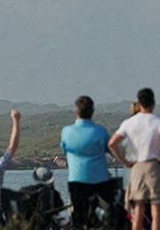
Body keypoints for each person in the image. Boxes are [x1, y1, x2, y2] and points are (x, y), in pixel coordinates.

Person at [108, 88, 160, 230]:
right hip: (154, 167)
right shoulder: (159, 121)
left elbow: (112, 143)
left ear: (138, 103)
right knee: (156, 212)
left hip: (137, 167)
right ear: (153, 103)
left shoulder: (129, 123)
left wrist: (125, 162)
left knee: (138, 211)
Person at [60, 95, 114, 229]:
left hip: (77, 180)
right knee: (108, 216)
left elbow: (64, 149)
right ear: (93, 111)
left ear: (76, 111)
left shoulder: (67, 131)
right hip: (100, 181)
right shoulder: (101, 131)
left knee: (79, 217)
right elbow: (110, 149)